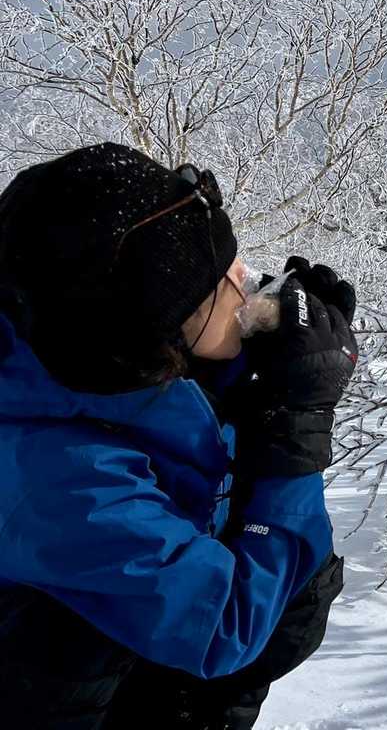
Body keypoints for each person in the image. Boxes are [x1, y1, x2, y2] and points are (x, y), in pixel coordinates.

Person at [0, 142, 359, 729]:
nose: (246, 279)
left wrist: (255, 373)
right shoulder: (58, 480)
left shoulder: (72, 362)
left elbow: (157, 414)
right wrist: (297, 422)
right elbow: (222, 627)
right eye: (222, 275)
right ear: (155, 322)